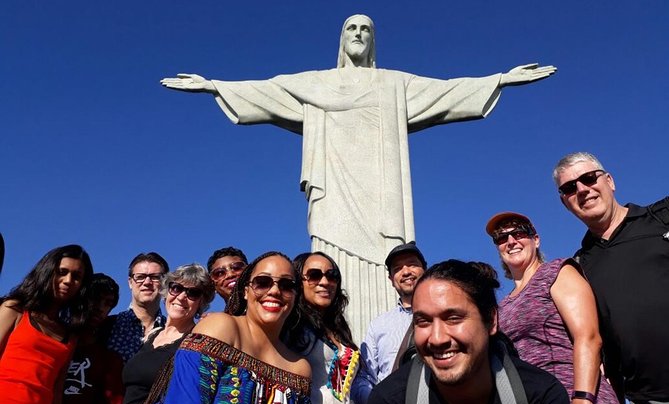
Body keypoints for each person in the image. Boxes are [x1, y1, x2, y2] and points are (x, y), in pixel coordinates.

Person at [160, 14, 556, 342]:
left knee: (391, 265)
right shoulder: (317, 83)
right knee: (330, 266)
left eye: (366, 30)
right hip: (334, 195)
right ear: (341, 39)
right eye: (352, 28)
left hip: (384, 198)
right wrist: (215, 86)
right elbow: (269, 91)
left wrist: (499, 80)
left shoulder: (393, 84)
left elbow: (446, 92)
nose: (359, 35)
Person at [359, 260, 578, 404]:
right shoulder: (390, 402)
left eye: (453, 318)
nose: (437, 338)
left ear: (491, 321)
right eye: (423, 321)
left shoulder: (539, 395)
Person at [108, 252, 312, 404]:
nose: (275, 290)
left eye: (286, 285)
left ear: (295, 295)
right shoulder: (221, 327)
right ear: (246, 291)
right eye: (262, 282)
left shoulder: (300, 368)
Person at [553, 152, 669, 404]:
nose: (582, 189)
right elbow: (603, 348)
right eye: (569, 188)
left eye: (589, 178)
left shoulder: (662, 217)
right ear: (564, 202)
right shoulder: (580, 265)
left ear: (610, 181)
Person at [486, 211, 626, 404]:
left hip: (576, 403)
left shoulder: (557, 272)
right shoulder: (502, 305)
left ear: (536, 239)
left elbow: (588, 338)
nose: (511, 241)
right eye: (502, 238)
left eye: (519, 233)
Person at [0, 244, 93, 404]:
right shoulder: (14, 309)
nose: (68, 281)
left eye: (76, 277)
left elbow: (57, 393)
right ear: (47, 271)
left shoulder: (70, 336)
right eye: (62, 272)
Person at [113, 263, 215, 404]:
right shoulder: (152, 335)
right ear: (167, 292)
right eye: (176, 288)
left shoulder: (194, 343)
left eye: (193, 293)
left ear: (201, 303)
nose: (181, 297)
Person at [289, 252, 360, 404]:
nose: (325, 281)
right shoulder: (291, 326)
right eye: (314, 275)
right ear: (298, 281)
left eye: (332, 275)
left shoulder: (339, 329)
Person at [351, 241, 426, 404]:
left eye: (412, 264)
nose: (406, 271)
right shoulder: (378, 325)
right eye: (397, 268)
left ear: (425, 269)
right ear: (391, 279)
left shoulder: (443, 314)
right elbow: (364, 377)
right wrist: (378, 403)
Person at [60, 273, 125, 404]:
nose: (100, 308)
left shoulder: (110, 361)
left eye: (108, 304)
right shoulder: (53, 345)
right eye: (96, 299)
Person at [102, 252, 169, 363]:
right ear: (130, 282)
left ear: (165, 283)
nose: (147, 282)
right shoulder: (108, 326)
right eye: (140, 277)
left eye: (155, 277)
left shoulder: (174, 333)